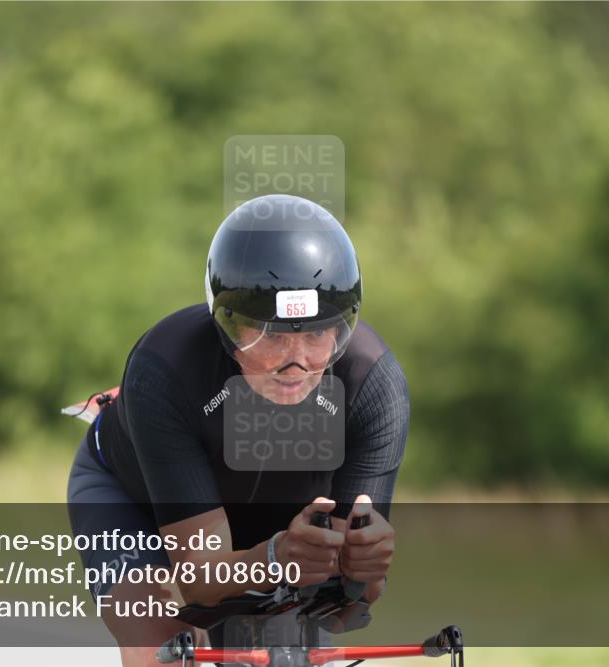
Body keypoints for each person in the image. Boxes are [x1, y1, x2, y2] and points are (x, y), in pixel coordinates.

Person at [67, 194, 409, 666]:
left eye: (316, 333)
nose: (297, 364)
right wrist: (275, 557)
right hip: (134, 501)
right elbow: (199, 583)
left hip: (276, 521)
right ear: (227, 324)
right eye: (272, 333)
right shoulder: (165, 367)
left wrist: (365, 572)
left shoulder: (373, 385)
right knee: (165, 644)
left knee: (309, 641)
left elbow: (345, 609)